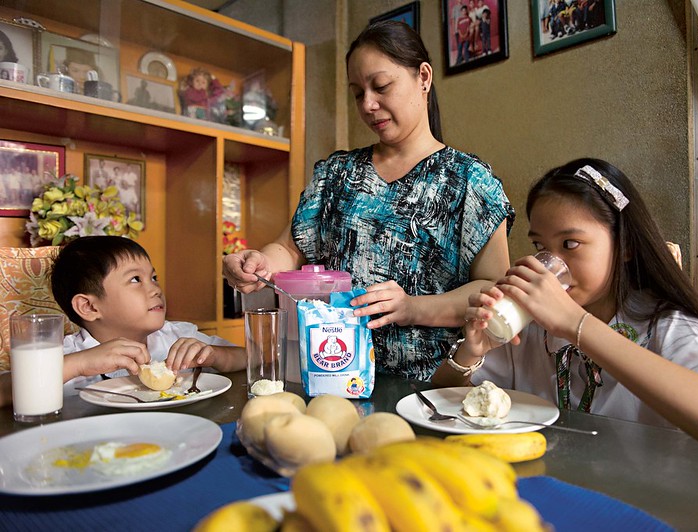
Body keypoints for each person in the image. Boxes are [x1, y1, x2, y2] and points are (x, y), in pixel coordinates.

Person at [223, 20, 514, 381]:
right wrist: (258, 263)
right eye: (358, 93)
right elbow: (289, 248)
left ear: (423, 77)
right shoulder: (336, 173)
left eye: (381, 86)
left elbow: (492, 292)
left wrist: (410, 308)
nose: (368, 104)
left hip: (434, 386)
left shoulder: (470, 180)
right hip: (330, 375)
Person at [431, 158, 698, 462]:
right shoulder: (531, 327)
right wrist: (470, 354)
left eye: (570, 244)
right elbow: (440, 405)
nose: (549, 264)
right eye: (539, 247)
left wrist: (576, 324)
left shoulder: (665, 326)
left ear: (625, 246)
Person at [52, 236, 245, 395]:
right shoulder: (67, 356)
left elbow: (250, 358)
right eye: (136, 279)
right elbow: (24, 387)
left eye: (154, 278)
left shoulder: (177, 336)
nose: (155, 290)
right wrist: (80, 364)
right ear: (89, 307)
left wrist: (215, 355)